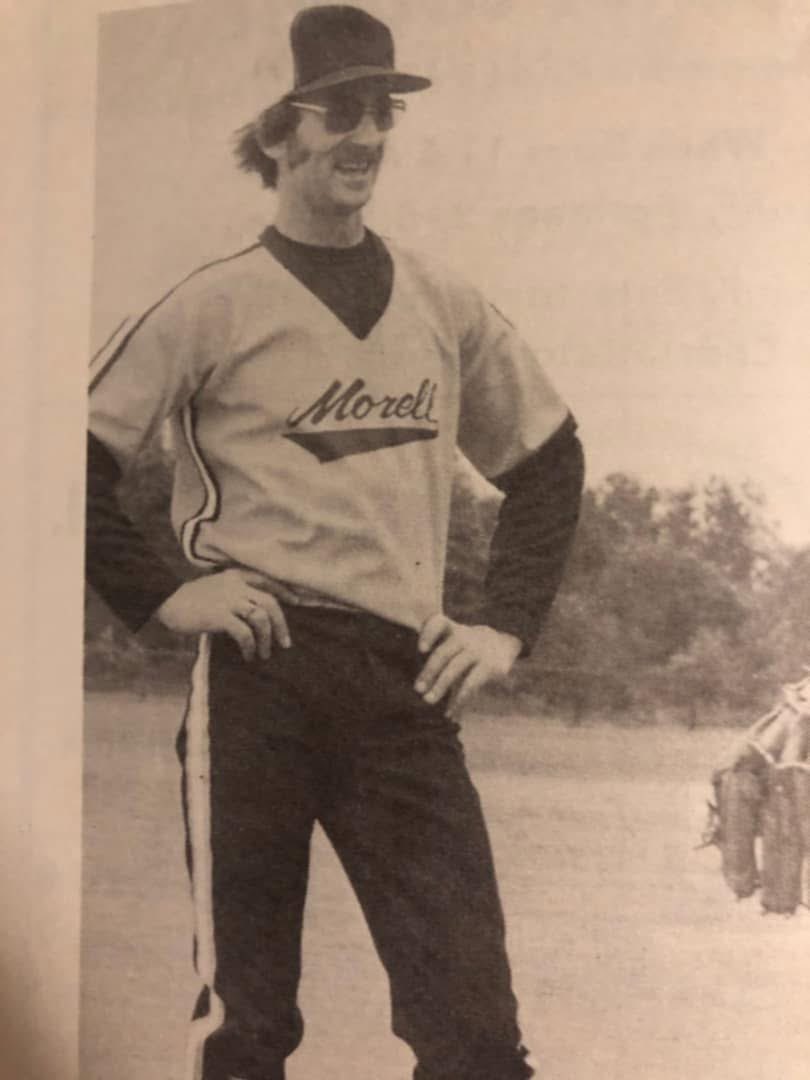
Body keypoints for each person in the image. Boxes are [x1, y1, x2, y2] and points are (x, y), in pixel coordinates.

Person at [86, 6, 585, 1079]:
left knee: (477, 1037)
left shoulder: (444, 302)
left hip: (406, 689)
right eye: (336, 110)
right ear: (275, 135)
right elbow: (56, 456)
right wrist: (164, 594)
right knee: (249, 1025)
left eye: (381, 111)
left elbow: (547, 463)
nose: (366, 134)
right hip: (260, 680)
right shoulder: (211, 302)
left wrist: (503, 625)